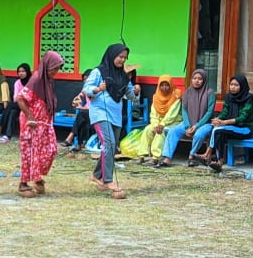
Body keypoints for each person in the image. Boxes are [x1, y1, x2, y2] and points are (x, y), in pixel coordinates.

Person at [84, 43, 141, 199]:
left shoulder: (123, 75)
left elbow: (129, 95)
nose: (122, 60)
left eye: (124, 57)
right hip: (100, 113)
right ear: (111, 55)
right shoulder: (99, 72)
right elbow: (87, 88)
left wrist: (135, 92)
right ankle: (108, 180)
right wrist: (97, 89)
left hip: (115, 115)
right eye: (120, 57)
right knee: (108, 144)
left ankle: (96, 174)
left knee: (112, 146)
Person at [16, 51, 63, 198]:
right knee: (30, 153)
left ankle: (37, 178)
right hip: (32, 124)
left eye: (57, 68)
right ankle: (23, 184)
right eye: (53, 68)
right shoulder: (36, 79)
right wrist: (30, 116)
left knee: (50, 150)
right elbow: (20, 99)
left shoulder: (47, 80)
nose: (55, 72)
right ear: (47, 66)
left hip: (44, 123)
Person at [196, 75, 253, 170]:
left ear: (242, 86)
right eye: (231, 84)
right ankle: (218, 162)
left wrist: (224, 122)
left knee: (218, 131)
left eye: (236, 85)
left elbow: (243, 118)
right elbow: (225, 111)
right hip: (231, 128)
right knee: (218, 131)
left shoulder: (248, 97)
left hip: (245, 129)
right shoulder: (229, 97)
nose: (233, 87)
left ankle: (208, 154)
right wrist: (217, 120)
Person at [166, 69, 216, 166]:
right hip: (188, 123)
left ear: (204, 80)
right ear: (191, 79)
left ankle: (191, 156)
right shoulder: (187, 92)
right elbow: (184, 110)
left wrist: (196, 126)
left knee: (199, 134)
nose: (196, 81)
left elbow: (209, 112)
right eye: (194, 78)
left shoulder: (210, 93)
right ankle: (167, 157)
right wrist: (187, 126)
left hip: (205, 123)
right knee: (173, 131)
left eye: (200, 79)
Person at [140, 75, 183, 167]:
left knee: (160, 132)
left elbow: (172, 114)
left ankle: (155, 157)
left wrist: (162, 124)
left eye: (167, 85)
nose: (164, 88)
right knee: (147, 129)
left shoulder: (176, 96)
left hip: (172, 122)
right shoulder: (156, 97)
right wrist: (155, 124)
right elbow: (153, 113)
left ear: (171, 85)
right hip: (158, 122)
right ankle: (142, 155)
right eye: (162, 85)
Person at [0, 63, 32, 143]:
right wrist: (23, 98)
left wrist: (21, 97)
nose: (21, 73)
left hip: (30, 107)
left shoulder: (32, 82)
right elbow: (15, 98)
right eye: (19, 71)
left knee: (10, 106)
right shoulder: (17, 83)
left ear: (27, 72)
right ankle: (7, 136)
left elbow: (31, 98)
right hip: (19, 106)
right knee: (12, 111)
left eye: (23, 71)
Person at [62, 69, 94, 157]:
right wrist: (76, 102)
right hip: (86, 114)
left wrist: (82, 107)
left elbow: (93, 105)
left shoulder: (95, 89)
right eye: (84, 79)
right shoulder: (84, 90)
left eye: (87, 79)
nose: (85, 81)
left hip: (95, 114)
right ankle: (78, 143)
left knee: (81, 115)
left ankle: (71, 138)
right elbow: (76, 100)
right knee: (81, 117)